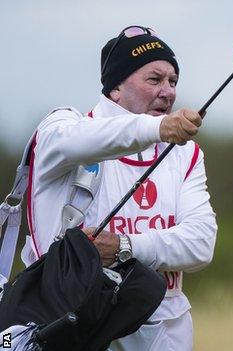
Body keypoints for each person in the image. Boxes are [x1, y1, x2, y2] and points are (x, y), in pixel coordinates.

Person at [21, 25, 217, 351]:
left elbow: (200, 244)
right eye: (154, 79)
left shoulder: (186, 153)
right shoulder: (64, 129)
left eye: (173, 81)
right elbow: (90, 137)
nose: (168, 91)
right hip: (67, 324)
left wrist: (126, 245)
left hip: (163, 326)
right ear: (114, 89)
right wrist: (159, 127)